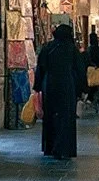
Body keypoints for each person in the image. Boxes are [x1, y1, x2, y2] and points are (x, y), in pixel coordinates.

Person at [34, 21, 87, 160]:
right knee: (66, 116)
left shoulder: (48, 48)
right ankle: (64, 148)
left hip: (49, 85)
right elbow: (80, 70)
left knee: (50, 116)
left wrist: (37, 86)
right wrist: (82, 88)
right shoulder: (72, 49)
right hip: (67, 85)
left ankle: (50, 147)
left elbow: (40, 68)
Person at [85, 30, 99, 113]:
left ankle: (90, 99)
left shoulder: (89, 49)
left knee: (92, 85)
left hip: (91, 70)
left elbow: (87, 60)